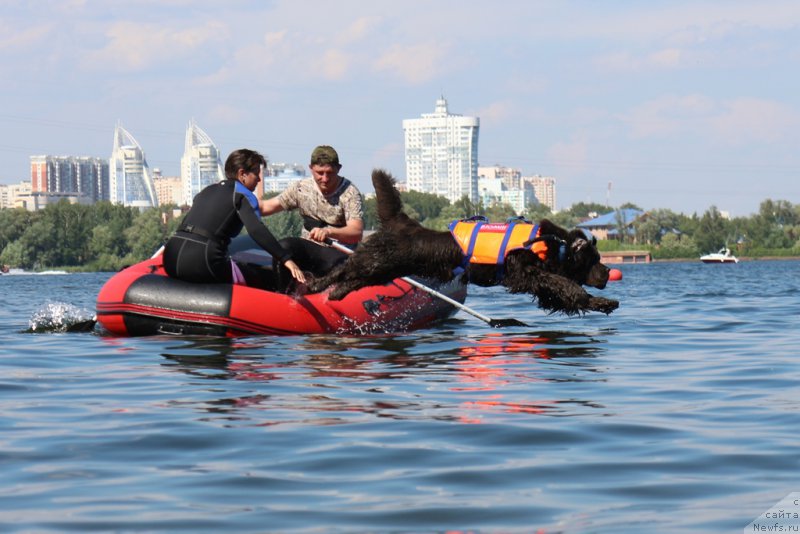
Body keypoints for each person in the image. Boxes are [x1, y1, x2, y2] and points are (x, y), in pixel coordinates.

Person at [163, 148, 305, 289]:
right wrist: (285, 259)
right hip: (203, 261)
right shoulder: (243, 195)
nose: (259, 179)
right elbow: (256, 230)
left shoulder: (207, 190)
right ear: (242, 174)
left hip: (171, 257)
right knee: (264, 277)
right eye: (256, 173)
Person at [260, 145, 363, 283]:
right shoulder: (301, 188)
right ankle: (284, 295)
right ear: (311, 169)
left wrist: (329, 232)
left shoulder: (350, 193)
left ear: (338, 169)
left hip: (339, 253)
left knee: (334, 266)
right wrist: (238, 196)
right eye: (320, 173)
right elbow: (266, 207)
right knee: (284, 247)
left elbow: (356, 232)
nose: (325, 179)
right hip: (309, 248)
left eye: (330, 173)